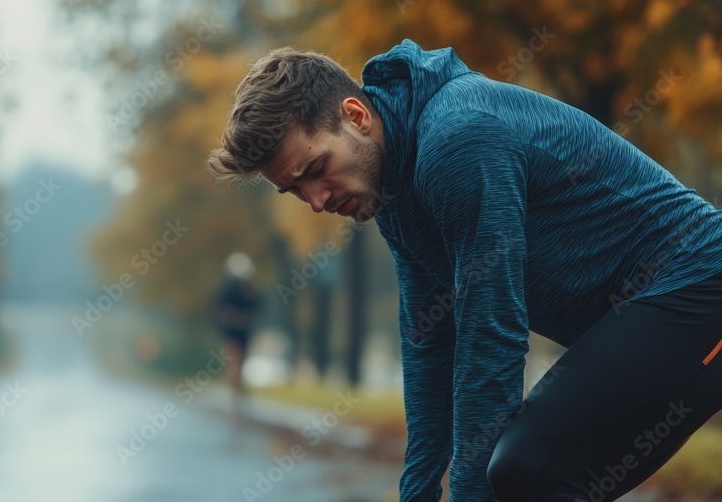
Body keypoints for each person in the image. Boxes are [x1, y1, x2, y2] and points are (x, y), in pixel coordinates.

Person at [206, 40, 722, 502]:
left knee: (529, 468)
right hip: (666, 306)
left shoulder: (456, 142)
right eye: (294, 190)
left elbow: (491, 333)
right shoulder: (391, 186)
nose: (315, 202)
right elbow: (432, 342)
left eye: (315, 171)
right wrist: (419, 491)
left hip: (699, 283)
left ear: (356, 115)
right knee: (530, 471)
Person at [214, 251, 261, 401]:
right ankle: (236, 386)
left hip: (241, 329)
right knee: (235, 358)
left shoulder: (247, 289)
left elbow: (256, 309)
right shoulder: (231, 289)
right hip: (233, 329)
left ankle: (237, 386)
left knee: (239, 359)